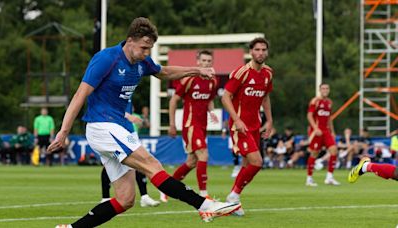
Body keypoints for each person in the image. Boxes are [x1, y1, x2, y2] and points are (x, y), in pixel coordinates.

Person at [49, 17, 240, 228]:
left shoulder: (142, 62)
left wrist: (196, 71)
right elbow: (80, 95)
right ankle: (204, 205)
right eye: (143, 47)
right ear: (130, 40)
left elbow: (164, 72)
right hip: (102, 125)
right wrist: (63, 131)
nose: (146, 53)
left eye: (149, 48)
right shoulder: (106, 58)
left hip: (117, 127)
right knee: (152, 165)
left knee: (125, 199)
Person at [222, 37, 273, 216]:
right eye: (257, 49)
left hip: (255, 126)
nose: (260, 53)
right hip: (240, 126)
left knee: (246, 164)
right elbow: (225, 97)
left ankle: (232, 202)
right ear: (251, 51)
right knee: (257, 162)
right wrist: (236, 120)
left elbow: (265, 97)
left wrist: (269, 120)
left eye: (263, 50)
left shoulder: (268, 73)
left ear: (267, 52)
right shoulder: (241, 72)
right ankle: (233, 197)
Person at [166, 50, 218, 200]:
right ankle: (203, 195)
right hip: (190, 125)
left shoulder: (212, 81)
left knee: (192, 162)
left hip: (202, 126)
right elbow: (173, 100)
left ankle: (167, 189)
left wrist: (212, 112)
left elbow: (209, 99)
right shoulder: (189, 80)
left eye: (209, 61)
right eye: (203, 61)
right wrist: (172, 124)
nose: (206, 63)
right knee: (204, 154)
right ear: (198, 62)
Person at [101, 110, 160, 207]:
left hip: (130, 131)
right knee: (111, 162)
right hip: (114, 129)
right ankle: (105, 197)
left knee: (139, 161)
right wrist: (127, 115)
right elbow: (108, 107)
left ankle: (144, 196)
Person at [306, 83, 340, 186]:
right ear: (320, 90)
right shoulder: (315, 101)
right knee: (314, 153)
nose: (325, 90)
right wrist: (315, 128)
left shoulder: (329, 102)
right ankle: (309, 178)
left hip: (326, 131)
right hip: (317, 131)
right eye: (323, 88)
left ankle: (329, 177)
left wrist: (332, 131)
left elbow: (329, 118)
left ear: (329, 90)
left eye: (327, 88)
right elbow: (309, 115)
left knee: (334, 150)